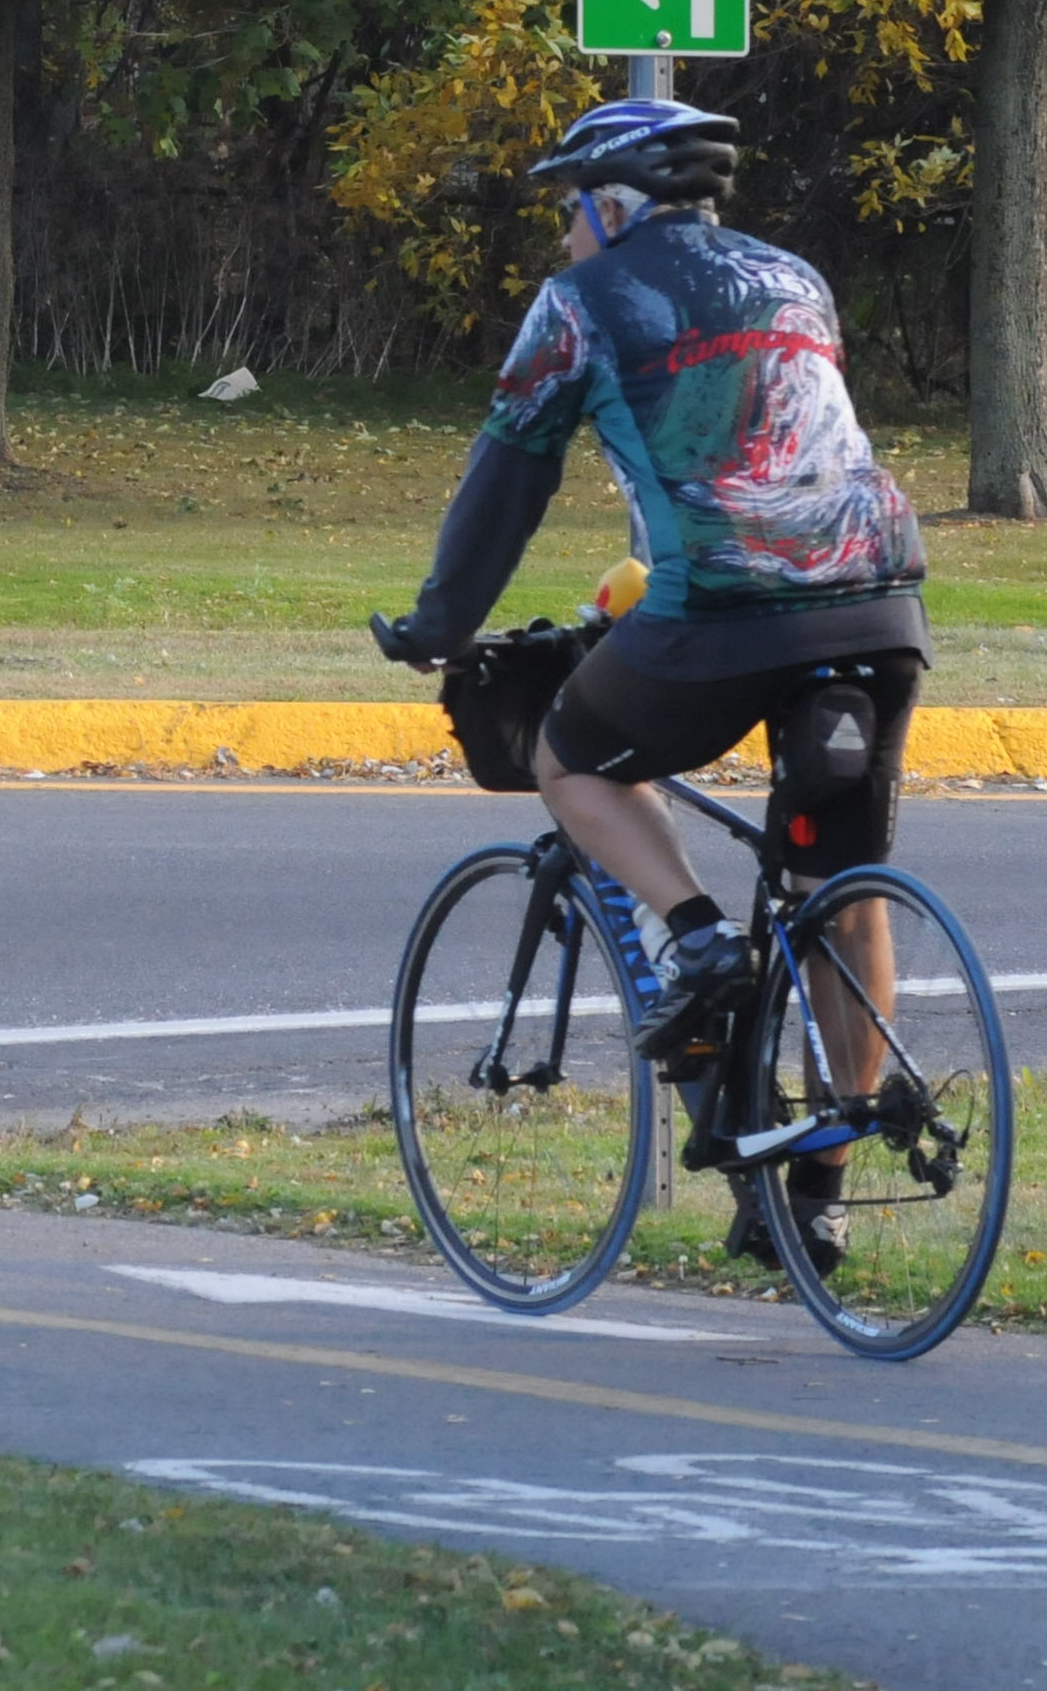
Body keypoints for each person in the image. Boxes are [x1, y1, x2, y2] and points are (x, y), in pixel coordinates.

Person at [371, 98, 929, 1269]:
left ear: (611, 205)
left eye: (568, 209)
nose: (563, 233)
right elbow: (778, 449)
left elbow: (509, 475)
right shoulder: (792, 277)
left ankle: (699, 937)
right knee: (837, 883)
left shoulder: (582, 300)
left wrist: (438, 625)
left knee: (568, 755)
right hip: (877, 605)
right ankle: (816, 1191)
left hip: (720, 610)